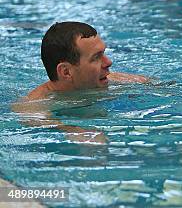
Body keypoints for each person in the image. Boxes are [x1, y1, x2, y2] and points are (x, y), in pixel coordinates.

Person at [13, 22, 148, 143]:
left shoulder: (113, 79)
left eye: (104, 53)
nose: (108, 63)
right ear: (66, 72)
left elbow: (161, 87)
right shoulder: (35, 102)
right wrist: (73, 131)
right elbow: (33, 118)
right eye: (96, 57)